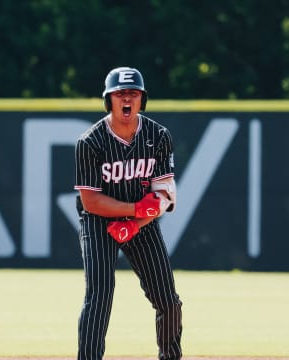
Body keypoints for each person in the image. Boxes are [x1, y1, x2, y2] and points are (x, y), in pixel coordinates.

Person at [74, 66, 183, 360]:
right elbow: (90, 202)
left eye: (133, 93)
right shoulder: (90, 142)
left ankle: (171, 357)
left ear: (142, 100)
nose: (127, 99)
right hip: (99, 222)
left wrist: (136, 223)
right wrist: (134, 209)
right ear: (108, 100)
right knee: (100, 295)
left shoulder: (158, 136)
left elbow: (165, 194)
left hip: (142, 224)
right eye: (120, 93)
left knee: (168, 299)